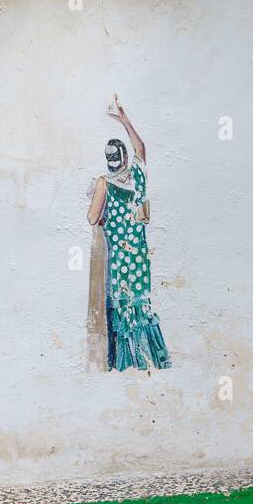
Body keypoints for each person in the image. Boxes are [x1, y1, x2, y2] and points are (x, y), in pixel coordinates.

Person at [86, 95, 172, 371]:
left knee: (122, 308)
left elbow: (91, 218)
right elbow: (141, 147)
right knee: (141, 305)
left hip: (120, 261)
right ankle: (150, 359)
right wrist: (125, 120)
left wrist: (93, 197)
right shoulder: (137, 176)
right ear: (124, 158)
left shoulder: (104, 184)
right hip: (139, 258)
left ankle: (125, 363)